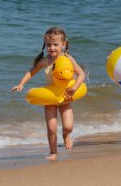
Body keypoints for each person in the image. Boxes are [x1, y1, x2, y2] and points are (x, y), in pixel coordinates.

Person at [11, 27, 85, 161]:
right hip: (50, 97)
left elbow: (81, 74)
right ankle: (53, 152)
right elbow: (32, 71)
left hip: (65, 97)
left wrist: (75, 87)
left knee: (68, 126)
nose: (52, 48)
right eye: (48, 45)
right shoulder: (45, 61)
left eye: (55, 44)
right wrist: (21, 83)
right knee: (51, 129)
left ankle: (66, 135)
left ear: (64, 44)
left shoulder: (68, 59)